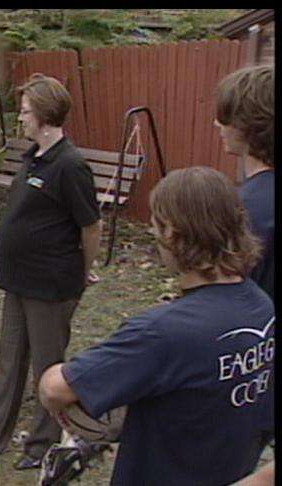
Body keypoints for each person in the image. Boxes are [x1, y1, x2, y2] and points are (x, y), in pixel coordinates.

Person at [38, 166, 273, 486]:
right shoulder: (262, 308)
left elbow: (55, 389)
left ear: (172, 232)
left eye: (155, 226)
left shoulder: (164, 332)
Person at [0, 73, 102, 471]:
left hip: (50, 283)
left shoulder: (70, 165)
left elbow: (91, 226)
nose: (20, 118)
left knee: (47, 367)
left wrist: (83, 271)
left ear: (44, 115)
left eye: (24, 111)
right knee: (10, 357)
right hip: (17, 278)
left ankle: (42, 444)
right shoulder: (33, 156)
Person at [214, 62, 275, 461]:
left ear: (249, 126)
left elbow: (219, 304)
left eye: (226, 117)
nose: (217, 124)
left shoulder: (243, 209)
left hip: (245, 372)